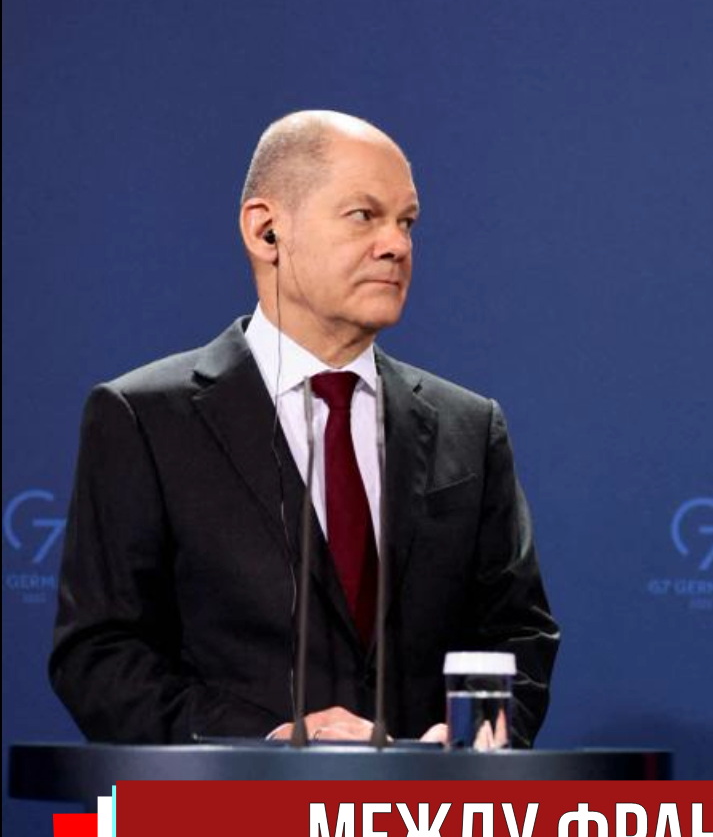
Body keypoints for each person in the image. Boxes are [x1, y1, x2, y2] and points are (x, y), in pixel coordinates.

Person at [50, 110, 559, 746]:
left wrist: (472, 740)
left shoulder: (469, 428)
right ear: (266, 231)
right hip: (228, 804)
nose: (397, 245)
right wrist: (269, 740)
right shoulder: (143, 418)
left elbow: (518, 633)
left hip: (420, 807)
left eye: (406, 222)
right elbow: (100, 654)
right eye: (364, 215)